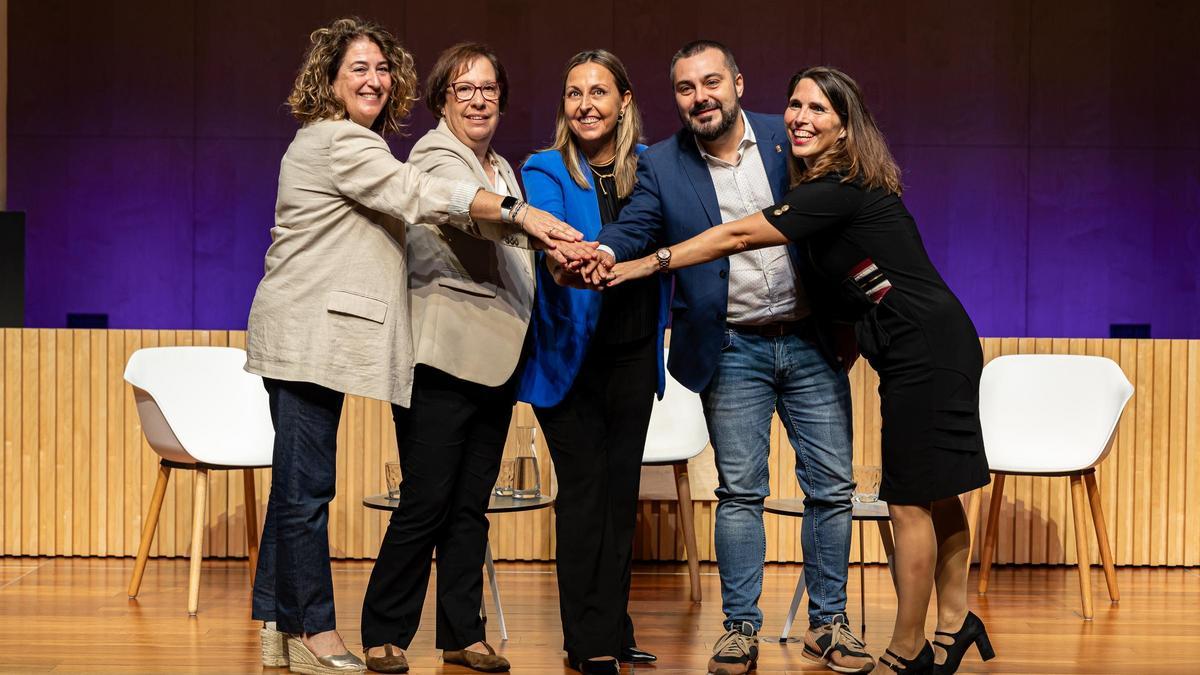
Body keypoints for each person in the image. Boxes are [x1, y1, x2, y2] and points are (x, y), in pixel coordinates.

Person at [605, 66, 995, 675]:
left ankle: (909, 647)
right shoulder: (827, 180)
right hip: (907, 345)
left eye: (819, 109)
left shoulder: (837, 185)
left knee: (910, 500)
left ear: (845, 127)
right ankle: (955, 620)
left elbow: (736, 235)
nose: (801, 118)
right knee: (936, 494)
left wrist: (644, 266)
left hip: (926, 348)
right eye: (795, 104)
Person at [244, 17, 587, 675]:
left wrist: (543, 240)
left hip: (321, 336)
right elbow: (420, 192)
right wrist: (519, 213)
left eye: (381, 68)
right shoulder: (340, 141)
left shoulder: (355, 143)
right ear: (328, 80)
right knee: (308, 490)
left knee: (299, 485)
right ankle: (315, 632)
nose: (373, 79)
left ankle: (277, 630)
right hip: (312, 333)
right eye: (358, 69)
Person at [581, 41, 871, 675]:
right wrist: (602, 252)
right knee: (740, 493)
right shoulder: (660, 163)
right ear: (676, 97)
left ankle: (829, 625)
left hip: (810, 339)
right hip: (730, 345)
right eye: (686, 88)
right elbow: (638, 228)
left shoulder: (785, 133)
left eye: (711, 82)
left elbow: (843, 205)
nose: (700, 97)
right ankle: (740, 628)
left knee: (832, 489)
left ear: (738, 82)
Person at [358, 42, 533, 675]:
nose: (479, 99)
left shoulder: (504, 168)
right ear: (442, 102)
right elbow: (478, 220)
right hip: (441, 358)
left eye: (489, 89)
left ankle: (464, 633)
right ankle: (383, 630)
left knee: (470, 506)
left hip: (496, 356)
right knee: (426, 501)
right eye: (464, 90)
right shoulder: (437, 155)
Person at [516, 50, 670, 675]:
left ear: (624, 100)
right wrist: (565, 258)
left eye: (599, 92)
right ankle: (588, 643)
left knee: (619, 496)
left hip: (633, 353)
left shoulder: (652, 168)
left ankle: (614, 626)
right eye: (574, 92)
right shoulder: (545, 167)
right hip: (569, 358)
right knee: (584, 497)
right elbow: (549, 237)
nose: (585, 104)